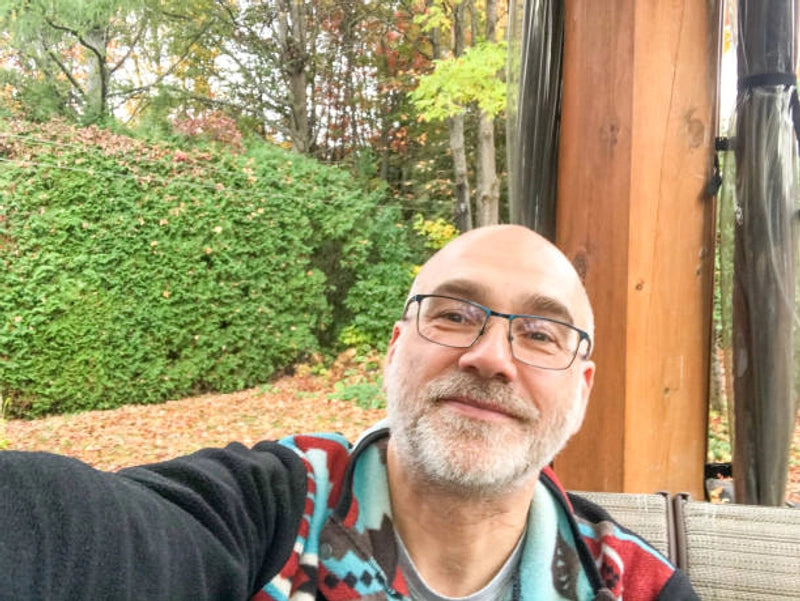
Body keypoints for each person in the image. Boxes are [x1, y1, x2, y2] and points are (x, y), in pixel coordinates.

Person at [0, 224, 698, 601]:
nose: (490, 357)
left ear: (582, 388)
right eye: (454, 315)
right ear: (395, 351)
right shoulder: (270, 510)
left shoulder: (637, 587)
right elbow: (79, 534)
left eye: (540, 334)